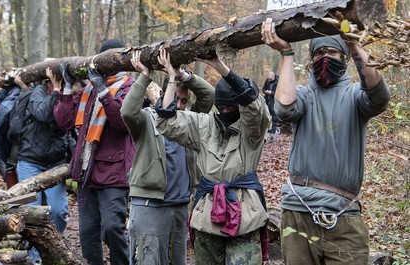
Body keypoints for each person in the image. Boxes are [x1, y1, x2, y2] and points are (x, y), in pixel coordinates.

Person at [261, 18, 391, 264]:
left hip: (343, 215)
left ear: (343, 58)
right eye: (320, 52)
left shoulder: (356, 96)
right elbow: (284, 109)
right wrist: (286, 53)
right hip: (297, 209)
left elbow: (379, 96)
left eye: (333, 51)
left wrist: (353, 45)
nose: (326, 57)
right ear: (311, 59)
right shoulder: (304, 95)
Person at [155, 52, 271, 264]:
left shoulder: (252, 131)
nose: (226, 112)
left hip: (245, 213)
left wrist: (219, 67)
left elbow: (254, 107)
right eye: (222, 107)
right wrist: (173, 77)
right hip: (207, 213)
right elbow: (166, 121)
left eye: (231, 108)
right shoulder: (204, 124)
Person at [121, 49, 214, 264]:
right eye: (176, 99)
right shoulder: (146, 119)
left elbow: (209, 96)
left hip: (179, 206)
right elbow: (127, 111)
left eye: (184, 101)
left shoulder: (188, 122)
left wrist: (182, 75)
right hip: (149, 206)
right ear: (162, 94)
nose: (180, 105)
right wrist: (145, 76)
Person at [54, 39, 134, 265]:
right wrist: (67, 87)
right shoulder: (89, 90)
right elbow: (64, 120)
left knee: (111, 229)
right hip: (86, 170)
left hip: (113, 172)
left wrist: (103, 90)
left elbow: (122, 122)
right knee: (88, 233)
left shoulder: (129, 87)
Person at [16, 67, 70, 265]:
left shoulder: (67, 93)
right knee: (31, 211)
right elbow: (43, 113)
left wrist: (61, 91)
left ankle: (53, 247)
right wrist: (55, 90)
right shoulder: (36, 93)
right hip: (30, 160)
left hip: (56, 161)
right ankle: (35, 258)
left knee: (59, 211)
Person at [262, 70, 279, 138]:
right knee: (267, 116)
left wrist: (271, 93)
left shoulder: (278, 82)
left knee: (274, 117)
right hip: (267, 101)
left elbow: (279, 93)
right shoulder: (267, 81)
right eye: (268, 79)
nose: (269, 80)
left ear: (273, 77)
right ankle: (272, 130)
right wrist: (265, 92)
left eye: (270, 79)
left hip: (274, 102)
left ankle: (273, 133)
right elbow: (263, 89)